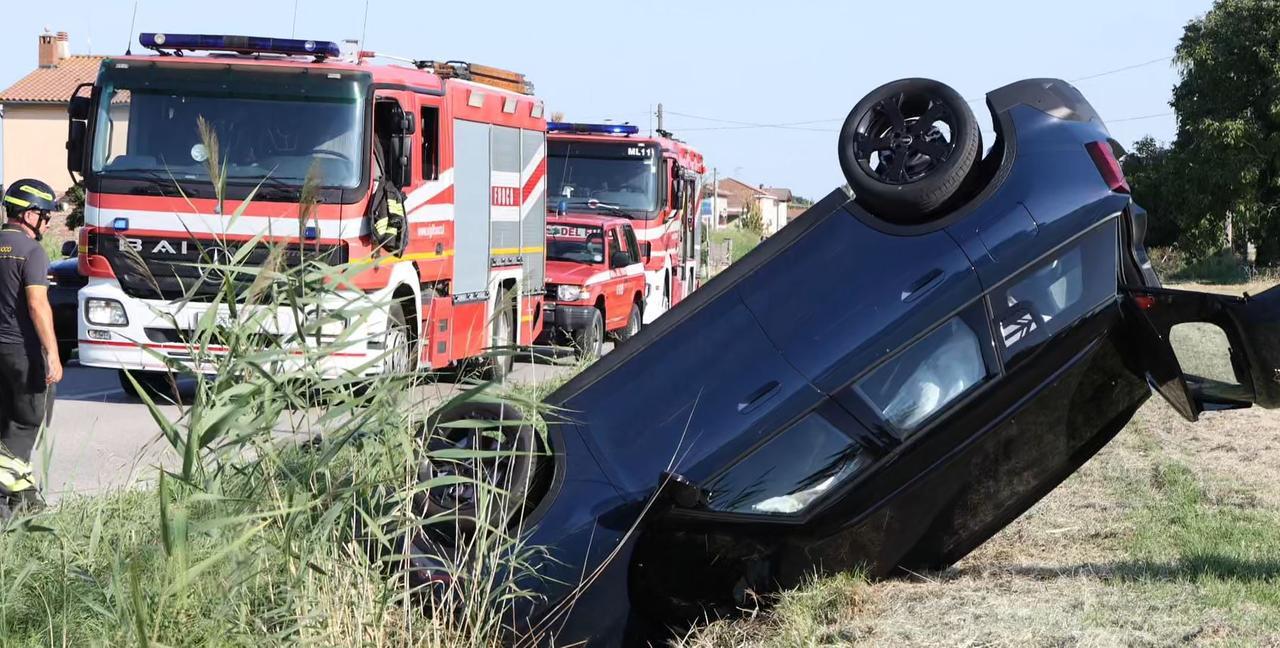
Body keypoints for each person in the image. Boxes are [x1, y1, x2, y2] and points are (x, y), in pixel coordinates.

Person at [0, 179, 63, 513]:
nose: (49, 222)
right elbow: (38, 305)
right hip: (22, 352)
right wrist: (53, 353)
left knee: (6, 423)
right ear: (27, 214)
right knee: (26, 423)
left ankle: (25, 500)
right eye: (45, 214)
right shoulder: (31, 251)